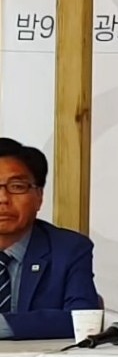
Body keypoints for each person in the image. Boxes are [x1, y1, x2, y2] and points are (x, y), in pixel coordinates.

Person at [0, 137, 100, 340]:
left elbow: (82, 320)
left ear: (39, 197)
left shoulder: (69, 249)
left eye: (17, 186)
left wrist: (5, 325)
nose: (3, 199)